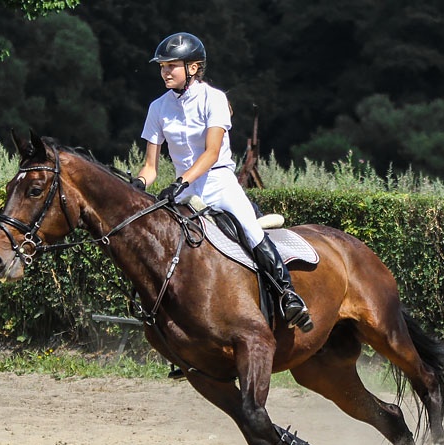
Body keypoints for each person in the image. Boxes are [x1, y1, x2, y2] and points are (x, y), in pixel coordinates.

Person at [133, 32, 313, 333]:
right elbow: (150, 166)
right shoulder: (158, 107)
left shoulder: (213, 99)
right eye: (162, 66)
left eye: (171, 66)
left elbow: (211, 152)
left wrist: (181, 181)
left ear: (193, 68)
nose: (165, 72)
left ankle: (288, 294)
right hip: (184, 191)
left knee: (250, 229)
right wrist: (138, 183)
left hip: (218, 182)